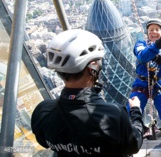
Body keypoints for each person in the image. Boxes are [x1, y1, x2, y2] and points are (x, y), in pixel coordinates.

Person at [31, 29, 144, 157]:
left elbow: (45, 142)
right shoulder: (112, 115)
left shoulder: (43, 112)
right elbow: (134, 144)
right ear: (93, 68)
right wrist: (135, 110)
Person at [126, 18, 161, 153]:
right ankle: (129, 144)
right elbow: (141, 57)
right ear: (147, 33)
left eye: (157, 30)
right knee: (129, 114)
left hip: (159, 84)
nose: (154, 32)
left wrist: (160, 60)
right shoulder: (141, 44)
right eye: (151, 30)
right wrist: (158, 45)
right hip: (141, 83)